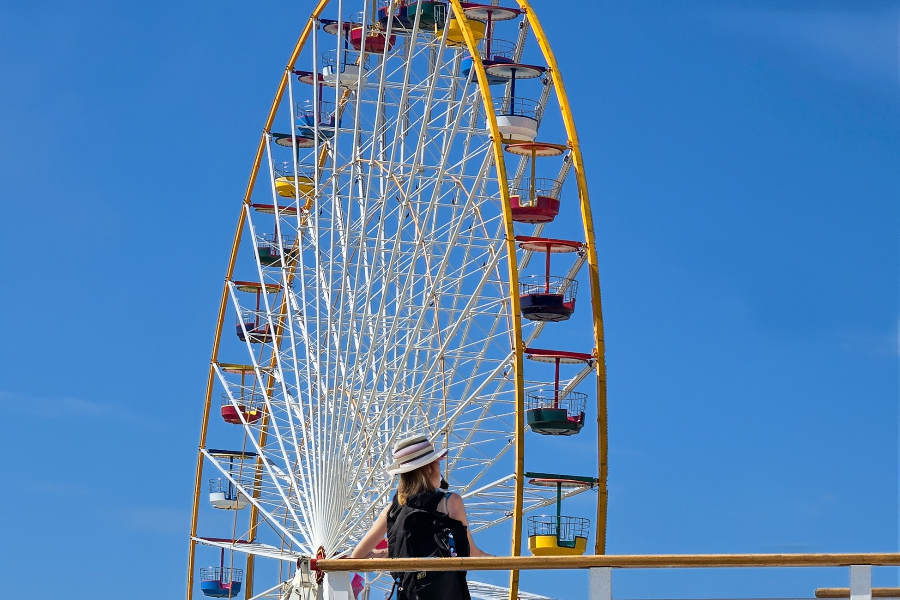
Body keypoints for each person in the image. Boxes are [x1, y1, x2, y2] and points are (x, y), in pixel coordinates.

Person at [351, 434, 491, 600]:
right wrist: (506, 562)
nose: (440, 467)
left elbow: (357, 557)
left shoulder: (392, 509)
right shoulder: (450, 502)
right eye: (437, 461)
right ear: (429, 467)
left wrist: (391, 553)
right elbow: (472, 553)